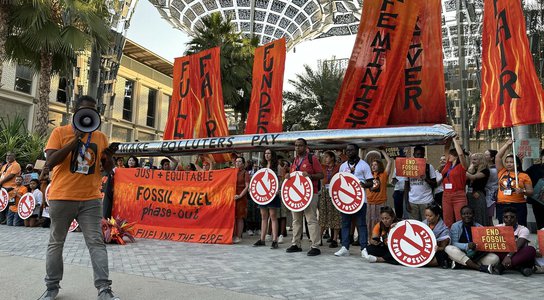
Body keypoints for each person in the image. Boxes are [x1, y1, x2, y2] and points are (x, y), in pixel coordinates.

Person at [40, 95, 119, 300]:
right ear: (76, 111)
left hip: (91, 199)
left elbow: (107, 170)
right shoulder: (60, 132)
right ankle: (51, 288)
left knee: (96, 243)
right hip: (62, 197)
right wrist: (75, 139)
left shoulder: (100, 137)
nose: (89, 115)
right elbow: (50, 162)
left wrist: (109, 156)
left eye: (93, 111)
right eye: (85, 110)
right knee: (56, 243)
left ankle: (104, 289)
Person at [285, 138, 324, 256]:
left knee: (311, 220)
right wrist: (287, 176)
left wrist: (310, 176)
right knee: (296, 220)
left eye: (300, 145)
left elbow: (321, 175)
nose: (297, 148)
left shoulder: (312, 159)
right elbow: (293, 177)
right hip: (296, 196)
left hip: (310, 194)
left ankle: (315, 246)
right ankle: (295, 244)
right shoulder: (295, 160)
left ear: (305, 146)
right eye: (296, 145)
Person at [334, 144, 374, 257]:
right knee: (345, 223)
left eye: (351, 150)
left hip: (360, 200)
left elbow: (371, 182)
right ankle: (345, 247)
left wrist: (364, 184)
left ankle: (364, 248)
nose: (349, 152)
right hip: (345, 200)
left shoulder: (364, 165)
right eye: (347, 150)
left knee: (361, 224)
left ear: (357, 151)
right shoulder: (343, 166)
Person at [445, 206, 498, 274]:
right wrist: (467, 246)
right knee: (448, 248)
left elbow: (484, 244)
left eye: (469, 213)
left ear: (473, 215)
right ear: (461, 215)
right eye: (464, 214)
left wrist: (477, 247)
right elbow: (454, 243)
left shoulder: (480, 227)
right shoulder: (455, 226)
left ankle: (461, 264)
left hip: (476, 255)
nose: (467, 215)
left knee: (495, 258)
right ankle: (479, 267)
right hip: (461, 253)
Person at [495, 139, 533, 226]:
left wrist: (522, 191)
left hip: (518, 205)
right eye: (507, 162)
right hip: (502, 204)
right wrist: (507, 145)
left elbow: (530, 192)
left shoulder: (524, 176)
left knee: (520, 226)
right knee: (504, 228)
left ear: (518, 164)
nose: (509, 164)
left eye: (512, 162)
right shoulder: (502, 172)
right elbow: (498, 157)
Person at [493, 207, 537, 276]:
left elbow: (519, 244)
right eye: (506, 217)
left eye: (512, 217)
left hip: (517, 252)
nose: (509, 219)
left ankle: (502, 267)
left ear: (517, 219)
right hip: (503, 253)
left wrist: (509, 256)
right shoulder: (497, 227)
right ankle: (520, 267)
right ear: (503, 219)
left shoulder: (523, 229)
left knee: (531, 250)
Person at [253, 149, 281, 249]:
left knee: (273, 216)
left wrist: (278, 189)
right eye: (265, 153)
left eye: (269, 153)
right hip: (263, 194)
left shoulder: (277, 167)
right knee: (264, 216)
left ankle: (274, 240)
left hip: (273, 194)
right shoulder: (262, 167)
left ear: (272, 155)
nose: (267, 155)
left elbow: (279, 180)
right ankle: (262, 239)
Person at [404, 146, 438, 221]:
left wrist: (426, 178)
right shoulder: (408, 167)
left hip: (426, 201)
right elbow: (406, 186)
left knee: (427, 224)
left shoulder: (429, 167)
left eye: (421, 154)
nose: (419, 156)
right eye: (418, 154)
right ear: (414, 155)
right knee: (414, 225)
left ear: (424, 155)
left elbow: (435, 184)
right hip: (412, 202)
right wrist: (406, 202)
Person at [441, 138, 468, 227]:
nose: (448, 157)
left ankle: (460, 237)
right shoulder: (448, 165)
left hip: (458, 195)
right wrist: (448, 139)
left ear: (455, 156)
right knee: (447, 218)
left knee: (460, 218)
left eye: (450, 155)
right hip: (446, 195)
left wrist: (454, 140)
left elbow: (460, 154)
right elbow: (446, 149)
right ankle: (449, 239)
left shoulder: (462, 166)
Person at [318, 151, 342, 248]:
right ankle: (319, 238)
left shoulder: (338, 167)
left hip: (335, 190)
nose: (325, 159)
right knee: (323, 214)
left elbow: (345, 161)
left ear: (332, 158)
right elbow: (316, 161)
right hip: (324, 191)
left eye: (327, 157)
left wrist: (340, 153)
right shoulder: (323, 167)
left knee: (336, 214)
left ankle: (335, 239)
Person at [366, 150, 392, 236]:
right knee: (370, 222)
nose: (373, 166)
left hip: (381, 202)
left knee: (382, 222)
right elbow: (362, 161)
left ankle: (382, 238)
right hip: (370, 203)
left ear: (379, 165)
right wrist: (361, 150)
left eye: (375, 165)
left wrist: (382, 151)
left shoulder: (384, 174)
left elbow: (389, 162)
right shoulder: (368, 174)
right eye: (372, 165)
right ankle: (371, 239)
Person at [465, 153, 490, 225]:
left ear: (481, 160)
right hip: (470, 194)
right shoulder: (473, 170)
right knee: (471, 214)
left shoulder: (485, 171)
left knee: (479, 215)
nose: (472, 161)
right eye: (472, 159)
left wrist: (465, 170)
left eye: (475, 159)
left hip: (478, 194)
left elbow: (473, 177)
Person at [423, 204, 450, 268]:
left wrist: (438, 248)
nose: (427, 218)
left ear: (437, 216)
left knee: (441, 255)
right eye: (426, 215)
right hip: (423, 250)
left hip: (436, 251)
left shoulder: (444, 229)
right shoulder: (423, 223)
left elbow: (443, 247)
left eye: (430, 216)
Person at [0, 151, 21, 224]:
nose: (8, 157)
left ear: (14, 157)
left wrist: (1, 182)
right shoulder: (5, 165)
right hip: (3, 187)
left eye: (10, 155)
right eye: (7, 155)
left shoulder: (16, 165)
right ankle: (2, 219)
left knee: (8, 204)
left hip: (10, 187)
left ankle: (6, 219)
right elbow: (2, 174)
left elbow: (11, 176)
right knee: (2, 203)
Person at [525, 149, 544, 229]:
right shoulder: (534, 168)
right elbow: (523, 177)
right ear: (541, 157)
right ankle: (541, 239)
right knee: (540, 223)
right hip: (538, 201)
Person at [233, 156, 249, 244]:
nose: (237, 163)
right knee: (233, 216)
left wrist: (240, 195)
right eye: (236, 161)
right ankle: (234, 234)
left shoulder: (245, 173)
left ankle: (239, 236)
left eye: (239, 161)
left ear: (243, 164)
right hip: (232, 196)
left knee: (239, 217)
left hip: (241, 197)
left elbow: (247, 186)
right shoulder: (233, 172)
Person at [484, 149, 499, 225]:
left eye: (486, 155)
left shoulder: (495, 169)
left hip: (491, 194)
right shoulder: (485, 167)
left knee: (489, 217)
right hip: (487, 193)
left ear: (492, 158)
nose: (484, 156)